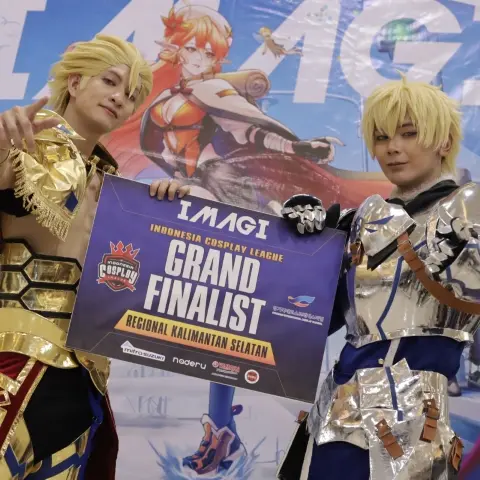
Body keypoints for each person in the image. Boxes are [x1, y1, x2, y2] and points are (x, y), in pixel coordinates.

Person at [0, 34, 189, 479]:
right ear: (75, 81)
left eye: (132, 95)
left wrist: (171, 213)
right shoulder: (23, 145)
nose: (121, 98)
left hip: (83, 389)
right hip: (13, 363)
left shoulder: (121, 197)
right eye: (110, 81)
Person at [277, 76, 480, 479]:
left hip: (414, 427)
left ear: (443, 141)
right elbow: (311, 319)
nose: (392, 148)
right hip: (334, 421)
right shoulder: (361, 221)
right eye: (382, 137)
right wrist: (303, 250)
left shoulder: (468, 207)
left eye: (409, 133)